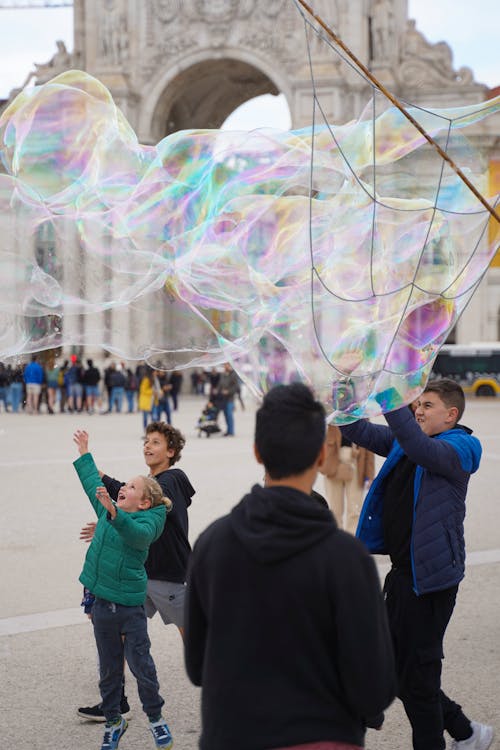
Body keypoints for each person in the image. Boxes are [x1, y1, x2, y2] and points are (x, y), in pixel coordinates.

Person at [184, 383, 396, 750]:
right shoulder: (347, 557)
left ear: (256, 453)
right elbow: (373, 689)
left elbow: (197, 667)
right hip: (322, 736)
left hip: (231, 734)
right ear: (319, 456)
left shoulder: (211, 543)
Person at [340, 379, 493, 750]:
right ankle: (465, 731)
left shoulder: (462, 447)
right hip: (403, 575)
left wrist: (393, 396)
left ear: (452, 414)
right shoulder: (406, 443)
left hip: (431, 581)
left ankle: (460, 733)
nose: (418, 410)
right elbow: (356, 428)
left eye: (427, 405)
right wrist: (343, 388)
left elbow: (418, 445)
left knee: (418, 679)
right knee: (394, 665)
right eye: (417, 404)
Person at [78, 421, 195, 722]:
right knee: (115, 634)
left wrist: (117, 510)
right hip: (140, 577)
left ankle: (229, 688)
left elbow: (146, 498)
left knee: (197, 637)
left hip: (171, 575)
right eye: (146, 440)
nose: (147, 446)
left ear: (171, 452)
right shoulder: (144, 490)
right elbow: (127, 500)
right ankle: (115, 703)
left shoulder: (173, 479)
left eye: (155, 442)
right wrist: (109, 520)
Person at [319, 424, 375, 534]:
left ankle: (352, 540)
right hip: (333, 466)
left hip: (356, 465)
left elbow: (369, 448)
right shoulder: (331, 417)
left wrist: (370, 475)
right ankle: (335, 540)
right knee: (334, 510)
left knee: (355, 509)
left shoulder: (361, 416)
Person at [216, 362, 239, 436]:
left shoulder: (234, 375)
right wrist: (217, 390)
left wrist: (228, 391)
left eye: (226, 365)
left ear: (230, 365)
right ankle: (228, 431)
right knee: (225, 414)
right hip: (223, 398)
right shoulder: (223, 374)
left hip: (230, 398)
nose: (225, 366)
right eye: (224, 365)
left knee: (229, 414)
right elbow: (220, 384)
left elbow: (236, 387)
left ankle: (231, 431)